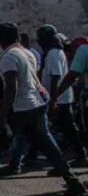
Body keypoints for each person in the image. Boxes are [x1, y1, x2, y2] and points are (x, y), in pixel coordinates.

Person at [0, 23, 86, 196]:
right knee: (48, 145)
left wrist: (3, 116)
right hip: (36, 104)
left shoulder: (9, 57)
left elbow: (11, 87)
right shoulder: (28, 53)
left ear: (0, 40)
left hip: (21, 107)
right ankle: (73, 182)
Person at [37, 25, 88, 165]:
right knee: (66, 128)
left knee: (61, 128)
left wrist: (54, 98)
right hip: (59, 96)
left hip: (60, 98)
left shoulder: (54, 53)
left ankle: (64, 160)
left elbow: (56, 76)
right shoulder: (52, 52)